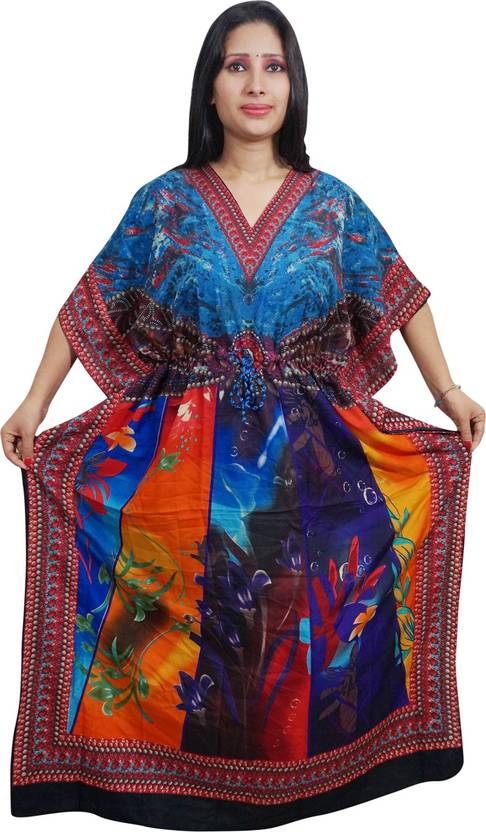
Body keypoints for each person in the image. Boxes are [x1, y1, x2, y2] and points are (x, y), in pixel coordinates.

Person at [4, 2, 483, 829]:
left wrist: (450, 394)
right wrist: (34, 401)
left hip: (312, 474)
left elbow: (401, 296)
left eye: (274, 67)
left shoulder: (333, 205)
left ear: (294, 86)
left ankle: (330, 768)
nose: (256, 84)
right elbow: (93, 300)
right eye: (237, 66)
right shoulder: (165, 202)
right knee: (183, 631)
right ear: (210, 87)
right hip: (183, 470)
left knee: (308, 633)